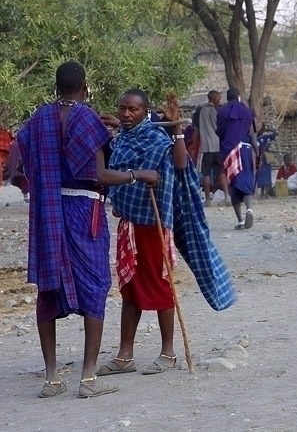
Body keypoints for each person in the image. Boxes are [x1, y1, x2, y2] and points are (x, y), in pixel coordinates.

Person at [16, 60, 159, 399]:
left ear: (56, 87)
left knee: (48, 288)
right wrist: (140, 174)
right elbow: (100, 175)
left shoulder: (39, 119)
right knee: (95, 285)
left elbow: (22, 164)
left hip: (48, 211)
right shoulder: (86, 119)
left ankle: (52, 379)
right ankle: (89, 378)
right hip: (84, 211)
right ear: (84, 87)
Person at [98, 89, 236, 376]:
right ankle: (125, 356)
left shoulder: (156, 138)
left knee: (160, 286)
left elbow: (180, 164)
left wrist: (176, 130)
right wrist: (116, 127)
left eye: (132, 109)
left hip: (154, 223)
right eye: (122, 108)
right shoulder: (123, 136)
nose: (126, 113)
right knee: (130, 289)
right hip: (129, 225)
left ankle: (168, 352)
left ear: (145, 112)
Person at [217, 88, 257, 230]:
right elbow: (252, 134)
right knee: (246, 179)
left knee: (233, 182)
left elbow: (220, 133)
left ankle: (240, 220)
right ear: (238, 97)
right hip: (245, 149)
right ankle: (249, 209)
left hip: (229, 151)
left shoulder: (221, 112)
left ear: (227, 98)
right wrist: (257, 152)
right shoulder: (247, 111)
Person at [197, 90, 229, 206]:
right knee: (221, 172)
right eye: (219, 98)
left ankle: (208, 199)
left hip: (206, 147)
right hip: (217, 145)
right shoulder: (217, 111)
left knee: (206, 173)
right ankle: (226, 197)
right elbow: (219, 126)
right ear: (214, 99)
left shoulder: (201, 111)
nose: (219, 101)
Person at [256, 123, 277, 199]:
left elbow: (275, 133)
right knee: (262, 177)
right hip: (260, 158)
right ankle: (262, 194)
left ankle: (265, 195)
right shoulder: (257, 137)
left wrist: (269, 130)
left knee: (267, 177)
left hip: (265, 159)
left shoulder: (266, 137)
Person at [7, 137, 30, 202]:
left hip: (17, 167)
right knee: (25, 181)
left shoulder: (12, 145)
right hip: (24, 165)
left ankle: (25, 196)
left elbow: (10, 157)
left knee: (23, 182)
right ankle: (26, 196)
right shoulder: (27, 143)